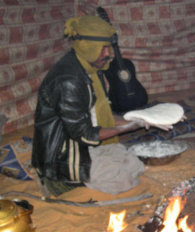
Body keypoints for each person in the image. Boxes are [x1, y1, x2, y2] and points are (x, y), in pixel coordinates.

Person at [31, 16, 163, 196]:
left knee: (132, 162)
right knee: (121, 180)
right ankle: (59, 180)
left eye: (108, 47)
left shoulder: (89, 68)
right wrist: (131, 126)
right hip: (64, 154)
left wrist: (141, 119)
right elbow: (84, 135)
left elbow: (98, 117)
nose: (107, 54)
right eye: (103, 48)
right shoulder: (69, 80)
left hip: (84, 144)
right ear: (87, 46)